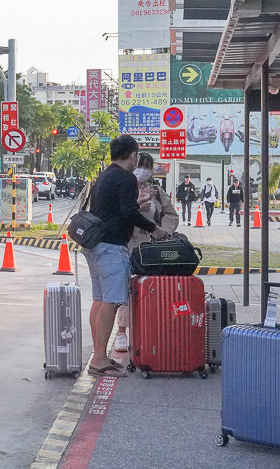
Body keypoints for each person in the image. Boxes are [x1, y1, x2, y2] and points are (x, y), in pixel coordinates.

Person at [81, 135, 170, 377]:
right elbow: (128, 212)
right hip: (111, 246)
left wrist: (135, 207)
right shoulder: (126, 178)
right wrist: (155, 229)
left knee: (100, 300)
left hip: (94, 245)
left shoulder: (104, 174)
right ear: (132, 155)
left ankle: (99, 355)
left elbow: (115, 209)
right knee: (110, 301)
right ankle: (99, 359)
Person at [112, 152, 179, 352]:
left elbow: (171, 215)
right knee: (125, 289)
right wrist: (137, 206)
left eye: (148, 167)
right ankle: (121, 332)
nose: (144, 171)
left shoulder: (157, 191)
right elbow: (117, 213)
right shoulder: (123, 187)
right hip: (126, 245)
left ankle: (151, 329)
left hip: (151, 248)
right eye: (141, 165)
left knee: (152, 288)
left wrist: (164, 232)